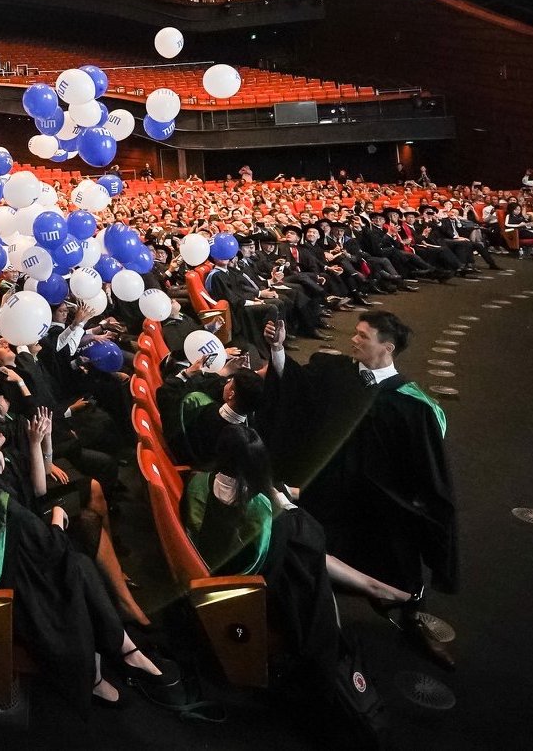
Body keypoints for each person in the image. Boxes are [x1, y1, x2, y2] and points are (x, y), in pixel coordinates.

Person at [184, 423, 408, 739]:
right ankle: (370, 597)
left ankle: (375, 588)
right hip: (247, 586)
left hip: (213, 563)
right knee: (307, 551)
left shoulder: (197, 483)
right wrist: (286, 508)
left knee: (304, 545)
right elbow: (267, 562)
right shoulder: (259, 509)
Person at [262, 312, 456, 669]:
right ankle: (315, 630)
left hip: (380, 502)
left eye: (363, 336)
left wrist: (421, 508)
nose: (353, 340)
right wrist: (277, 348)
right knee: (313, 556)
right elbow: (296, 386)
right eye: (356, 333)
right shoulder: (337, 373)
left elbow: (427, 466)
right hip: (330, 493)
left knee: (401, 563)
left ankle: (413, 621)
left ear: (387, 347)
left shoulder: (412, 405)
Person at [0, 424, 173, 711]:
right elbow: (50, 548)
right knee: (77, 563)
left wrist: (39, 445)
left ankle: (124, 648)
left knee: (80, 559)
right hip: (17, 599)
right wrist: (57, 516)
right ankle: (109, 661)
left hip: (24, 571)